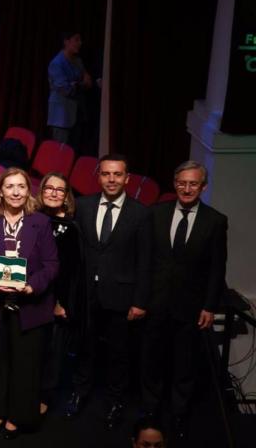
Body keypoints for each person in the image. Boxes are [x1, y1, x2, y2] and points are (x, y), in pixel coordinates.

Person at [0, 167, 59, 439]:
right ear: (1, 191)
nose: (16, 192)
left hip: (30, 307)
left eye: (21, 186)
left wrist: (33, 286)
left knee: (25, 365)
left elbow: (51, 264)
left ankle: (19, 416)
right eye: (10, 187)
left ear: (28, 191)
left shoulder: (40, 222)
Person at [142, 161, 227, 439]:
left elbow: (217, 268)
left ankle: (179, 415)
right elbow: (145, 262)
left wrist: (209, 306)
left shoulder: (215, 221)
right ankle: (151, 413)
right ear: (175, 183)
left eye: (193, 184)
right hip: (155, 304)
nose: (186, 188)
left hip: (191, 309)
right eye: (182, 182)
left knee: (184, 366)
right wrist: (140, 300)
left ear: (203, 187)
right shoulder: (155, 213)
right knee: (152, 362)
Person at [68, 154, 152, 430]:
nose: (111, 179)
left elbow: (145, 262)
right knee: (84, 348)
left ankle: (116, 402)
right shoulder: (82, 205)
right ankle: (79, 394)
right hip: (87, 294)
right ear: (99, 176)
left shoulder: (141, 213)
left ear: (127, 178)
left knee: (119, 354)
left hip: (122, 297)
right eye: (106, 174)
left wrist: (139, 301)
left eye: (117, 174)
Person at [36, 172, 83, 414]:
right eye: (48, 188)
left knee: (52, 353)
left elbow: (73, 271)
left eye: (59, 190)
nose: (53, 193)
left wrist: (63, 302)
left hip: (58, 300)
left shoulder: (73, 228)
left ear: (66, 197)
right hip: (32, 296)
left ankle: (44, 398)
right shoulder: (32, 219)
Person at [47, 31, 93, 145]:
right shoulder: (57, 63)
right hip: (61, 117)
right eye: (76, 40)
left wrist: (79, 83)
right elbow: (65, 89)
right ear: (66, 42)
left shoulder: (78, 61)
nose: (80, 43)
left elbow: (87, 79)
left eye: (80, 40)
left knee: (75, 150)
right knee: (61, 152)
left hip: (77, 115)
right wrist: (81, 83)